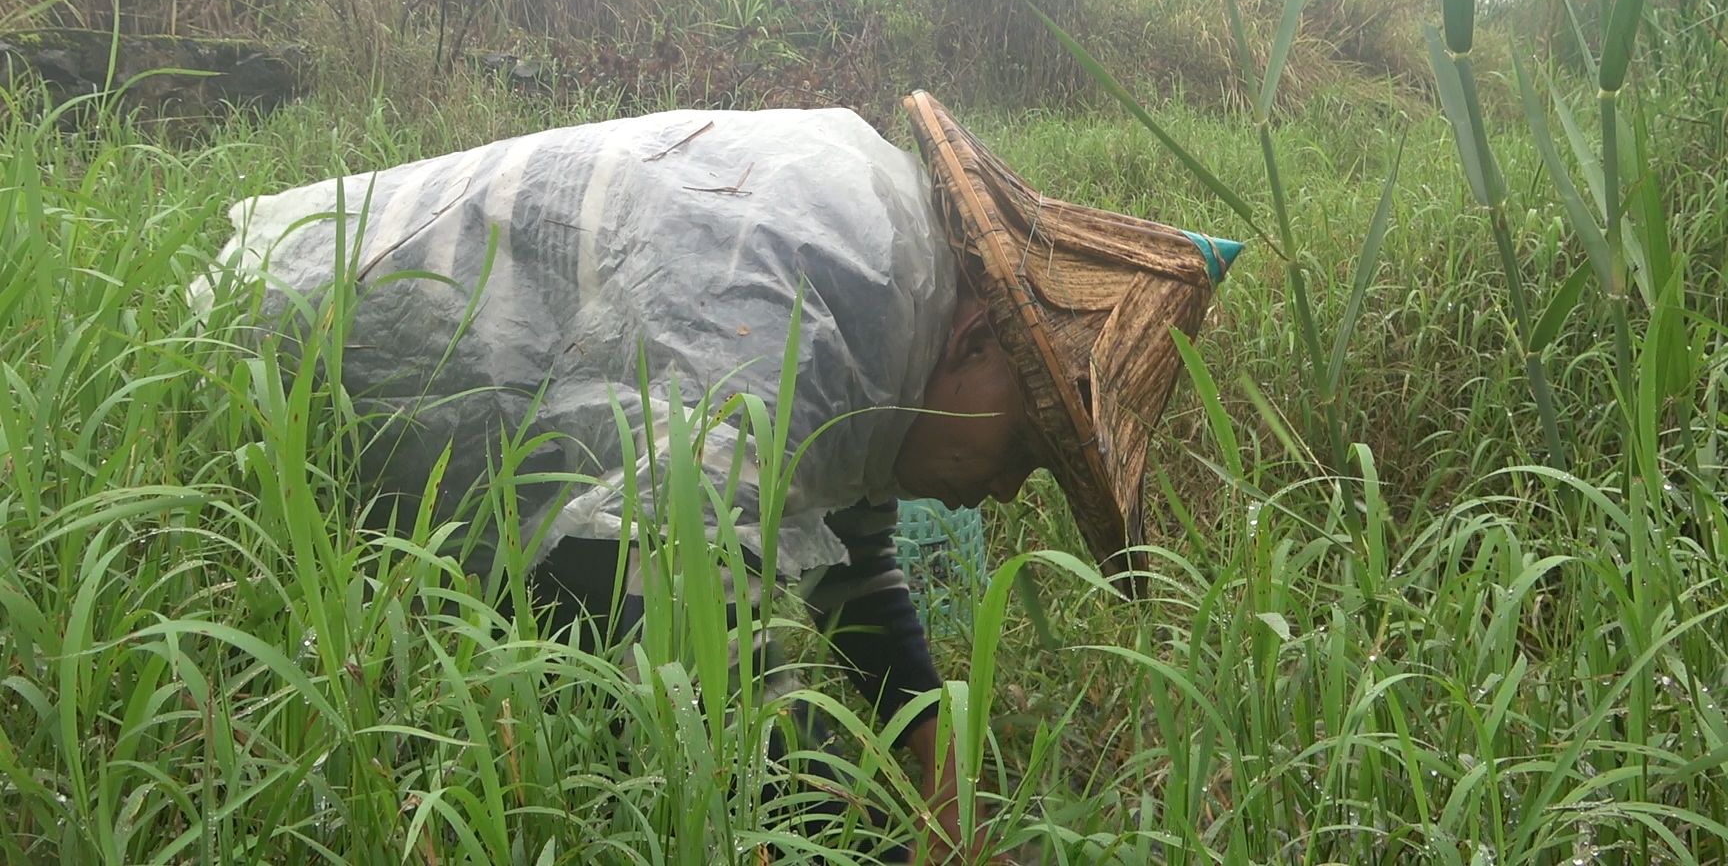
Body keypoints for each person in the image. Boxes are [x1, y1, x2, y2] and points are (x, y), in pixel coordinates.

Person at [199, 91, 1239, 860]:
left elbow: (854, 551)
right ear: (977, 339)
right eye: (1026, 449)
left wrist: (934, 759)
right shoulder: (824, 269)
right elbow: (676, 601)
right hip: (269, 354)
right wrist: (832, 837)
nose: (1009, 491)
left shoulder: (891, 297)